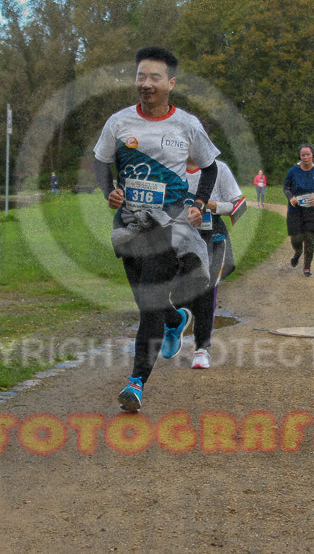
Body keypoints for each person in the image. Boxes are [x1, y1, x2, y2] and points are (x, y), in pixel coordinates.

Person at [93, 46, 220, 411]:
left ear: (171, 83)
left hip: (171, 223)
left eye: (154, 78)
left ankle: (136, 383)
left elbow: (209, 167)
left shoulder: (187, 125)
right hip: (130, 223)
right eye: (140, 77)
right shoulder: (119, 123)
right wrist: (110, 191)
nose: (146, 84)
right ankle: (175, 317)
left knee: (148, 301)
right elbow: (101, 161)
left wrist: (197, 205)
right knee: (143, 296)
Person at [185, 158, 246, 369]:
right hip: (180, 237)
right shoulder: (170, 165)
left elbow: (238, 204)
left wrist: (213, 205)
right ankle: (178, 322)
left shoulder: (219, 168)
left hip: (213, 236)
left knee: (206, 288)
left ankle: (201, 348)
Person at [283, 143, 314, 277]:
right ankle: (298, 252)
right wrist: (291, 197)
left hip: (313, 210)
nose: (305, 157)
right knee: (296, 239)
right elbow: (286, 188)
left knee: (309, 238)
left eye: (308, 154)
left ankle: (307, 268)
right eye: (303, 155)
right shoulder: (293, 171)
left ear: (312, 155)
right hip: (295, 210)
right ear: (300, 156)